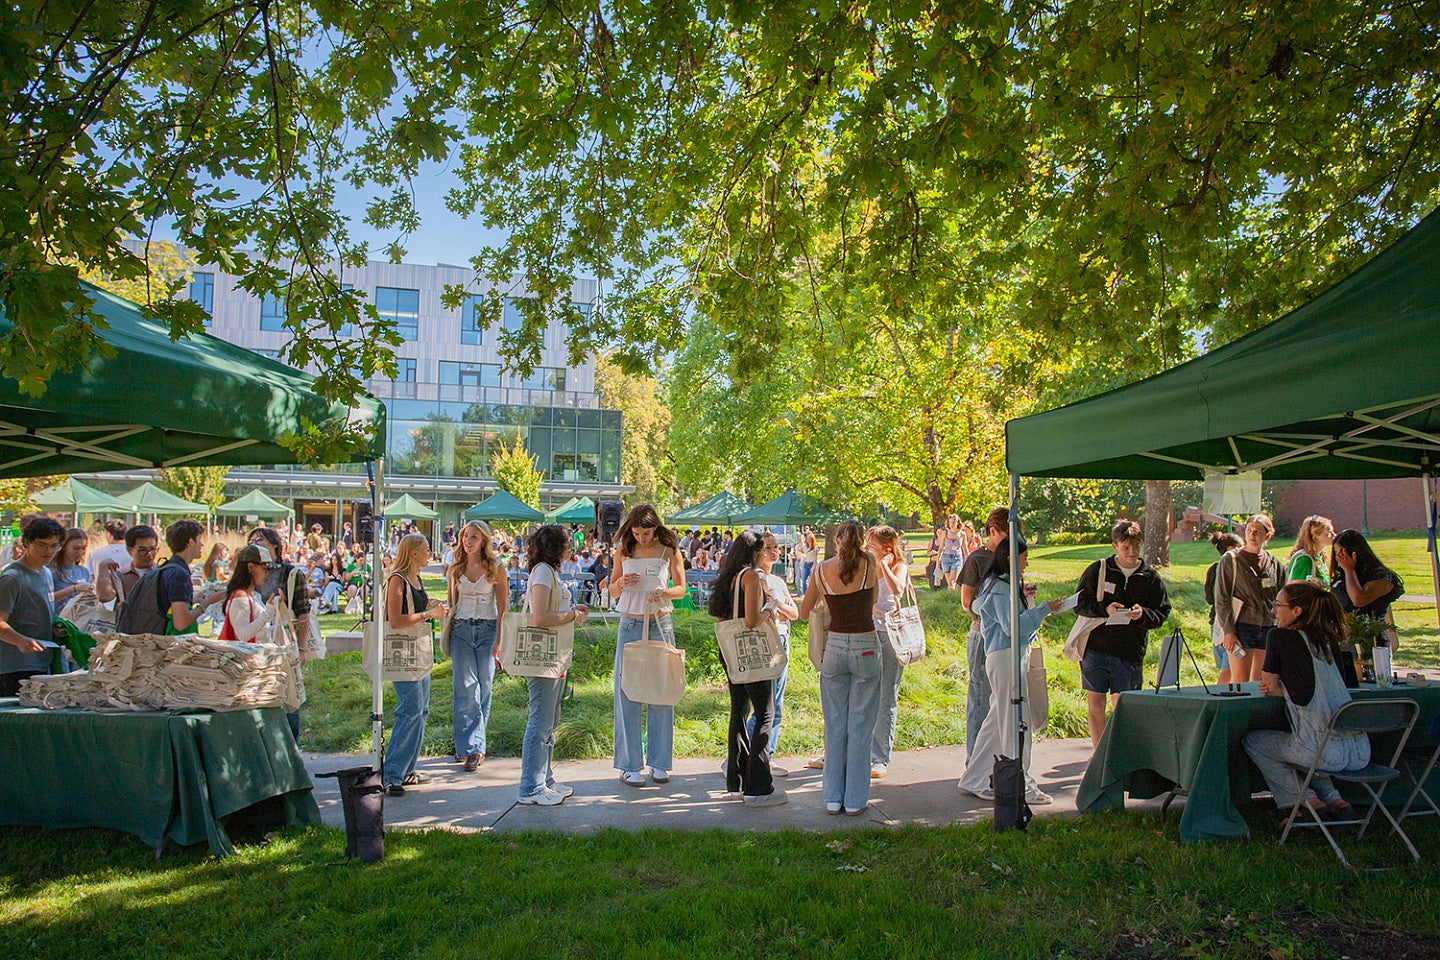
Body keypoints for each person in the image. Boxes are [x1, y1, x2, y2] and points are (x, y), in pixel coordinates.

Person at [1243, 581, 1365, 826]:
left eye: (1278, 605)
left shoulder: (1279, 636)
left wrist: (1280, 690)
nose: (1274, 611)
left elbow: (1271, 686)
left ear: (1297, 611)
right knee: (1303, 747)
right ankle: (1334, 800)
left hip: (1322, 749)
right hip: (1358, 750)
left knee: (1256, 742)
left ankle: (1306, 802)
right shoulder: (1329, 639)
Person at [957, 535, 1066, 804]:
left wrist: (1026, 603)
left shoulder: (999, 585)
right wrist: (1043, 610)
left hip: (1005, 657)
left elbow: (1000, 616)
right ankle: (1021, 784)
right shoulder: (1000, 588)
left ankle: (975, 778)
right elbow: (1013, 627)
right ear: (1010, 559)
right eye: (1024, 558)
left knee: (998, 721)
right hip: (1006, 657)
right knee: (1017, 723)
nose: (1026, 563)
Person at [799, 519, 881, 815]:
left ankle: (833, 797)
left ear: (837, 540)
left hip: (834, 646)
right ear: (860, 540)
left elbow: (803, 611)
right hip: (866, 645)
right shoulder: (870, 563)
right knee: (861, 726)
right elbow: (873, 599)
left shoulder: (821, 570)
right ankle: (856, 799)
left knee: (835, 724)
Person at [1074, 520, 1172, 748]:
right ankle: (1099, 752)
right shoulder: (1099, 569)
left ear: (1142, 545)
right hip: (1096, 647)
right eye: (1125, 547)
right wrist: (1104, 610)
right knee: (1095, 701)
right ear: (1115, 546)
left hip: (1129, 651)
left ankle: (1120, 751)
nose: (1131, 552)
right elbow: (1079, 603)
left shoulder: (1150, 577)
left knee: (1123, 705)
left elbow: (1162, 611)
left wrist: (1143, 614)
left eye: (1135, 547)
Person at [609, 504, 688, 786]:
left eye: (646, 532)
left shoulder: (669, 548)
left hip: (660, 622)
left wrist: (664, 592)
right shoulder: (624, 549)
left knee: (662, 691)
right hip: (629, 624)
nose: (641, 537)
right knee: (627, 691)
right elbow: (611, 589)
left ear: (656, 528)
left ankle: (659, 762)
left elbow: (682, 589)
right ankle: (629, 764)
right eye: (636, 532)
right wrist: (620, 582)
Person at [710, 531, 786, 806]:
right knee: (765, 714)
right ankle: (758, 786)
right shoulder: (751, 576)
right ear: (755, 553)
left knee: (739, 713)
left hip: (730, 650)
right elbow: (753, 619)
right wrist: (771, 608)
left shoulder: (728, 577)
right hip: (752, 651)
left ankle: (736, 782)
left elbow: (725, 615)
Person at [517, 524, 586, 805]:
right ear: (555, 547)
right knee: (541, 720)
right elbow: (541, 617)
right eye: (567, 543)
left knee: (550, 720)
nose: (571, 547)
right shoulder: (543, 572)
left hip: (555, 655)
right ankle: (530, 787)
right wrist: (571, 615)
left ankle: (544, 779)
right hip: (542, 657)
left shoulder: (550, 572)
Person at [382, 533, 448, 797]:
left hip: (419, 653)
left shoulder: (415, 579)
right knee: (409, 710)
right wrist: (429, 614)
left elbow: (415, 605)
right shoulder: (397, 579)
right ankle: (392, 774)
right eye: (426, 549)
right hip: (404, 655)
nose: (430, 553)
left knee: (420, 710)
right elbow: (395, 620)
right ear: (413, 553)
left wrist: (429, 604)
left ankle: (407, 769)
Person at [448, 520, 506, 772]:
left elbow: (503, 606)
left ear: (484, 540)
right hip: (461, 628)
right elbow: (452, 602)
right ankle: (471, 748)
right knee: (465, 688)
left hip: (487, 627)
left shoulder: (495, 566)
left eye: (474, 537)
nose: (468, 541)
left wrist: (500, 639)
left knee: (484, 687)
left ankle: (474, 744)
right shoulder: (455, 566)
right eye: (465, 536)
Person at [743, 532, 798, 776]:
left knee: (776, 703)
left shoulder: (777, 581)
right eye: (768, 548)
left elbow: (794, 613)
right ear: (757, 552)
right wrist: (777, 606)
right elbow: (762, 613)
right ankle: (743, 752)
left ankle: (767, 755)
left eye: (776, 547)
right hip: (764, 641)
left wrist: (776, 602)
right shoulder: (753, 577)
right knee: (765, 705)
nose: (774, 552)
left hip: (782, 638)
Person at [958, 507, 1009, 761]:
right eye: (1007, 535)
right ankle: (974, 759)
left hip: (1007, 635)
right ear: (993, 532)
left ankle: (995, 759)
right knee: (980, 697)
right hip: (982, 634)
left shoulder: (1011, 557)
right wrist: (988, 609)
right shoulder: (977, 558)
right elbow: (966, 601)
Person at [1215, 514, 1284, 683]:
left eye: (1257, 532)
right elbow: (1222, 597)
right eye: (1249, 530)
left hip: (1267, 625)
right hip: (1241, 626)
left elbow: (1281, 594)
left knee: (1261, 680)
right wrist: (1228, 631)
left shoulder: (1274, 562)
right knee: (1240, 680)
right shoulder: (1231, 559)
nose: (1252, 535)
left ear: (1267, 535)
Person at [0, 517, 63, 695]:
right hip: (14, 666)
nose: (49, 551)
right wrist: (20, 640)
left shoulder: (47, 573)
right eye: (42, 545)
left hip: (42, 661)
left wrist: (55, 628)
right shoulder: (12, 577)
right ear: (27, 543)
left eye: (54, 546)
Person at [867, 524, 911, 779]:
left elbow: (898, 590)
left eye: (871, 544)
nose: (866, 548)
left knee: (886, 698)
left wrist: (883, 564)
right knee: (862, 696)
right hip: (866, 635)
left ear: (887, 547)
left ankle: (880, 757)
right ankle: (850, 751)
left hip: (890, 637)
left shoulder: (898, 566)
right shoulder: (866, 565)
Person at [1330, 528, 1405, 658]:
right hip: (1344, 639)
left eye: (1343, 553)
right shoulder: (1342, 577)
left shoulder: (1381, 575)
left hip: (1371, 639)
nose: (1340, 559)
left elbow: (1359, 599)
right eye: (1337, 554)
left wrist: (1349, 570)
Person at [154, 519, 221, 635]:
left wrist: (194, 600)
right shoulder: (179, 574)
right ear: (190, 542)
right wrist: (207, 602)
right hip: (172, 643)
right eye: (200, 539)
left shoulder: (169, 567)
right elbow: (181, 623)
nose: (202, 544)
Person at [1204, 531, 1242, 685]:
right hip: (1228, 624)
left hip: (1215, 624)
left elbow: (1208, 598)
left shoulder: (1213, 569)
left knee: (1227, 667)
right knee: (1230, 669)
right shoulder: (1233, 570)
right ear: (1232, 548)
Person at [217, 545, 275, 643]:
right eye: (265, 568)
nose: (267, 573)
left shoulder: (255, 595)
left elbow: (261, 631)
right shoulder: (240, 596)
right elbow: (243, 635)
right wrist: (268, 613)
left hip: (260, 654)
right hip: (247, 657)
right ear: (251, 567)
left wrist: (283, 625)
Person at [49, 528, 94, 609]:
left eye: (83, 548)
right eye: (76, 548)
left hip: (78, 618)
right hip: (57, 618)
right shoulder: (51, 571)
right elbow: (46, 598)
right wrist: (73, 589)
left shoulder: (84, 571)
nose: (80, 552)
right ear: (64, 546)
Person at [1287, 515, 1335, 585]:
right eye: (1329, 533)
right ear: (1315, 537)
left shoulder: (1319, 556)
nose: (1334, 535)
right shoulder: (1304, 559)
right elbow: (1298, 590)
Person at [937, 514, 966, 590]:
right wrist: (938, 562)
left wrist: (968, 560)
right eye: (950, 522)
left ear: (958, 523)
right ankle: (952, 597)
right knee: (950, 583)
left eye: (953, 522)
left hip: (957, 558)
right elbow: (941, 548)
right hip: (946, 557)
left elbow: (965, 549)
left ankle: (953, 594)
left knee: (953, 580)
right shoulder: (945, 533)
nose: (952, 524)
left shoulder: (962, 534)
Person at [796, 530, 818, 595]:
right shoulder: (805, 546)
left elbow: (815, 557)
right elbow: (803, 552)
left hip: (812, 564)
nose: (808, 540)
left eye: (809, 539)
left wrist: (814, 566)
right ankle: (805, 594)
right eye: (807, 539)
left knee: (811, 580)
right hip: (806, 564)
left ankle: (812, 593)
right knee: (803, 579)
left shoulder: (815, 547)